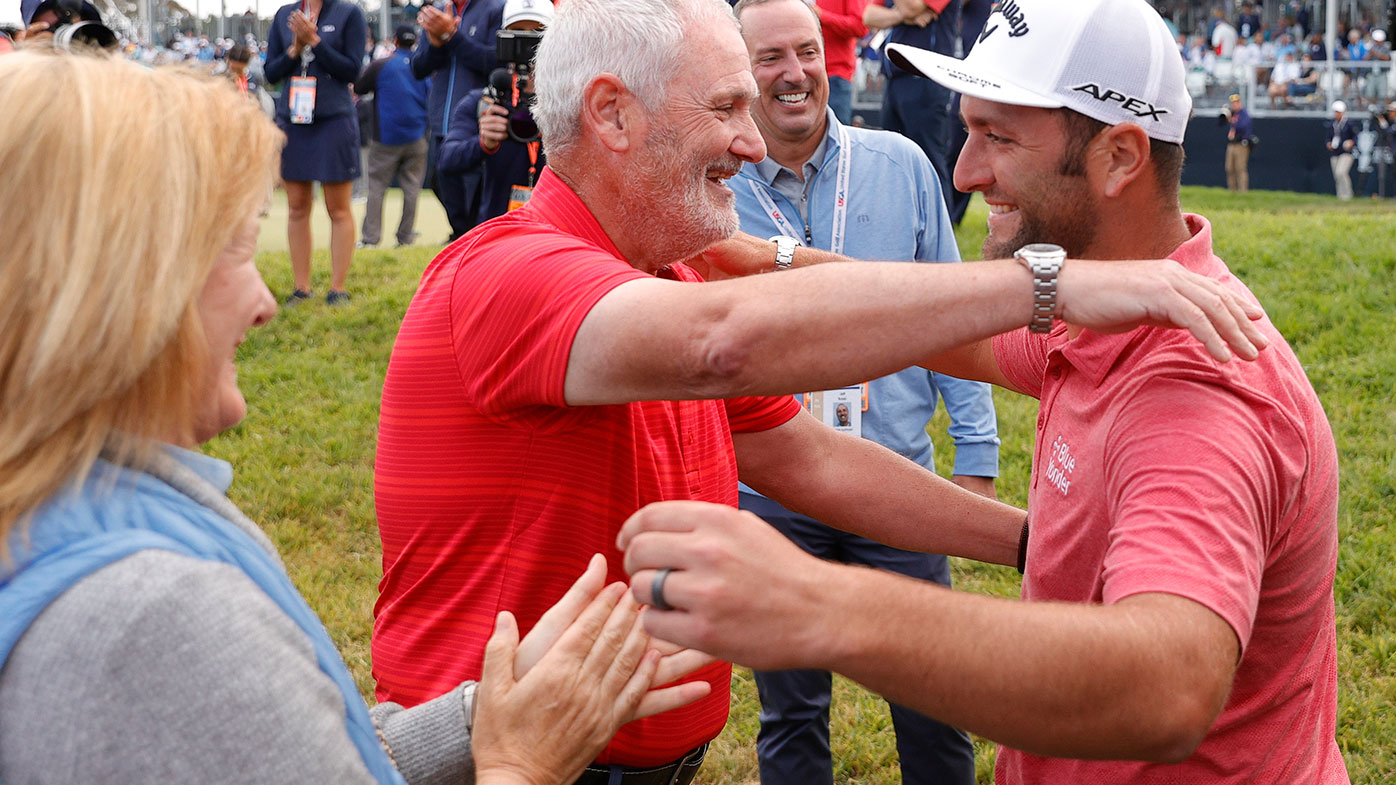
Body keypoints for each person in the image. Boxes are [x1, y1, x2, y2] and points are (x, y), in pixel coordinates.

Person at [373, 0, 1270, 782]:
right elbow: (724, 344)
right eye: (726, 106)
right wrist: (1049, 285)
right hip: (494, 764)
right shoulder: (509, 271)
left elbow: (803, 455)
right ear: (612, 114)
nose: (752, 140)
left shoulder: (666, 276)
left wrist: (1037, 544)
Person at [619, 0, 1347, 782]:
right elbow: (945, 324)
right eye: (968, 130)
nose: (964, 170)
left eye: (997, 135)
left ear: (1120, 157)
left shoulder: (1192, 388)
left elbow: (1170, 686)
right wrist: (755, 258)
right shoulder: (1106, 305)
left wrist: (813, 604)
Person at [0, 50, 709, 785]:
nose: (264, 302)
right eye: (240, 249)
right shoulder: (150, 617)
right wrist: (521, 760)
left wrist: (479, 715)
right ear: (125, 293)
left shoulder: (58, 513)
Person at [728, 1, 993, 782]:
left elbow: (955, 317)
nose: (793, 73)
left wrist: (975, 450)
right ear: (741, 76)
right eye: (769, 57)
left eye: (806, 51)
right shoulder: (713, 194)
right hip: (773, 496)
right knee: (791, 718)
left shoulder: (903, 165)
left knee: (937, 703)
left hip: (896, 486)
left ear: (831, 57)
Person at [265, 0, 365, 306]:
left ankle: (338, 289)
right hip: (293, 119)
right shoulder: (284, 14)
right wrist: (295, 48)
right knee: (297, 206)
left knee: (338, 208)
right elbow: (271, 72)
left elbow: (352, 70)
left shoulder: (349, 13)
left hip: (333, 119)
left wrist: (315, 42)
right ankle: (301, 288)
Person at [438, 0, 551, 225]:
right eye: (517, 33)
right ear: (502, 39)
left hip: (558, 229)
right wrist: (483, 144)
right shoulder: (484, 102)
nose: (527, 44)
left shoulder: (570, 103)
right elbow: (446, 160)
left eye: (538, 33)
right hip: (498, 230)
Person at [412, 0, 504, 241]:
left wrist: (451, 35)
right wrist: (436, 42)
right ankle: (462, 236)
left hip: (478, 123)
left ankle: (472, 241)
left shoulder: (496, 8)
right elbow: (418, 67)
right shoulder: (439, 11)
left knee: (476, 196)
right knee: (436, 181)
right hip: (441, 120)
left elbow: (496, 63)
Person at [863, 0, 961, 202]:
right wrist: (903, 16)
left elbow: (910, 7)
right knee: (892, 161)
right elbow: (868, 16)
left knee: (929, 161)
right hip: (894, 81)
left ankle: (940, 228)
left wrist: (899, 13)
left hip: (926, 80)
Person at [356, 25, 430, 249]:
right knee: (411, 188)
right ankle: (405, 238)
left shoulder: (382, 64)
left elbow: (360, 87)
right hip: (417, 136)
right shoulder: (423, 67)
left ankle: (371, 239)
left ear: (395, 41)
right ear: (414, 41)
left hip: (386, 137)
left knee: (377, 187)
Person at [810, 0, 867, 123]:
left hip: (835, 77)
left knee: (836, 136)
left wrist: (821, 15)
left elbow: (860, 26)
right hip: (804, 75)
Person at [1327, 99, 1359, 200]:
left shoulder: (1349, 124)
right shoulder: (1332, 124)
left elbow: (1356, 137)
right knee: (1337, 175)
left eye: (1338, 112)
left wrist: (1351, 142)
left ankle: (1348, 194)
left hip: (1346, 153)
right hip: (1335, 152)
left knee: (1341, 172)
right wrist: (1328, 144)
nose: (1337, 114)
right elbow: (1328, 137)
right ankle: (1340, 195)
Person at [1224, 93, 1253, 192]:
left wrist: (1231, 121)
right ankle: (1233, 190)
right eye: (1233, 103)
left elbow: (1242, 126)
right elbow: (1220, 123)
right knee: (1229, 168)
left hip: (1241, 144)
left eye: (1236, 103)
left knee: (1240, 168)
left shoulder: (1244, 114)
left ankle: (1243, 191)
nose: (1234, 105)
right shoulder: (1233, 114)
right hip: (1231, 144)